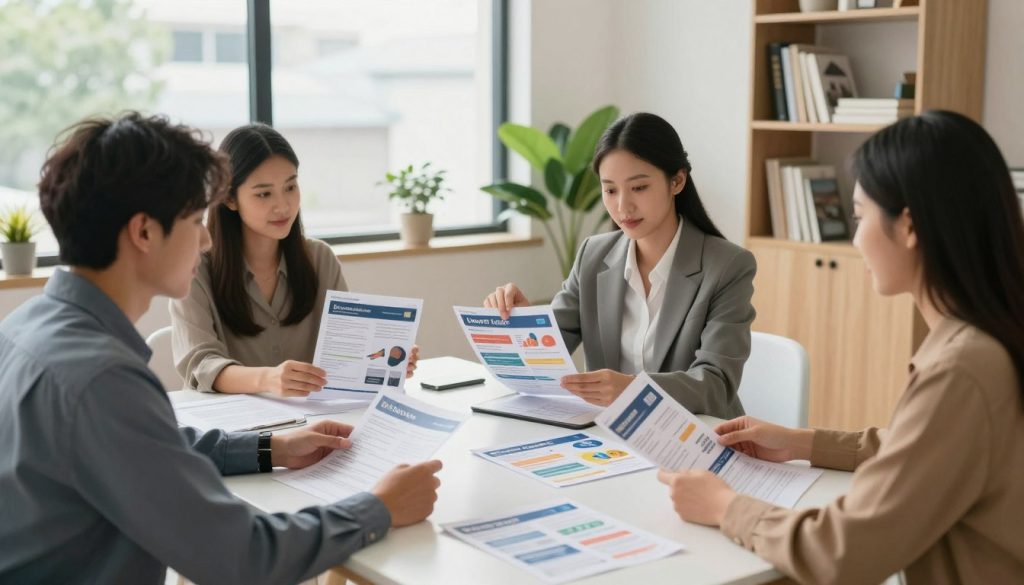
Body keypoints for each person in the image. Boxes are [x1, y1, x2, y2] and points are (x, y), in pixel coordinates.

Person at [0, 113, 442, 584]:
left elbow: (150, 448)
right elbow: (241, 556)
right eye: (195, 220)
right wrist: (378, 508)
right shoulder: (101, 378)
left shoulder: (24, 327)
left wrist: (270, 447)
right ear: (144, 232)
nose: (208, 237)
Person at [657, 110, 1024, 584]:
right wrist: (801, 443)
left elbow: (844, 552)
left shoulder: (963, 368)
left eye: (860, 215)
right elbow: (924, 450)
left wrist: (726, 506)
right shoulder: (989, 340)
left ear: (909, 226)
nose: (854, 239)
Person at [485, 112, 756, 417]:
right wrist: (523, 322)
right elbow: (544, 355)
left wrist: (633, 389)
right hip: (612, 437)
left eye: (639, 188)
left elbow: (715, 386)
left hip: (694, 436)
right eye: (610, 190)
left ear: (677, 181)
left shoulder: (728, 266)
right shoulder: (593, 255)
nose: (622, 206)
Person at [170, 123, 418, 396]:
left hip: (310, 423)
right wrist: (269, 379)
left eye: (290, 186)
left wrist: (386, 360)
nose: (283, 205)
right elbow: (201, 365)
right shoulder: (193, 268)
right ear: (230, 198)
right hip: (233, 431)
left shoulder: (320, 258)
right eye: (264, 193)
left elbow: (345, 349)